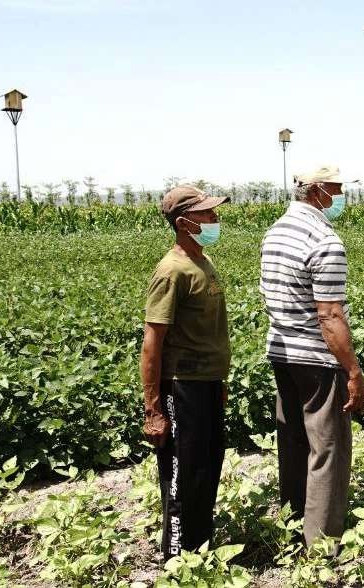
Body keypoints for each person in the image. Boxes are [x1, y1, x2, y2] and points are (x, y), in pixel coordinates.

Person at [259, 165, 364, 548]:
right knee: (327, 451)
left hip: (282, 352)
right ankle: (320, 545)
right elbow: (330, 315)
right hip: (318, 360)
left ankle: (293, 525)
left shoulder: (275, 232)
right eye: (337, 189)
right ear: (319, 191)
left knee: (293, 443)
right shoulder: (325, 240)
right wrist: (352, 369)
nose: (340, 197)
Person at [140, 184, 232, 560]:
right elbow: (152, 342)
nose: (214, 219)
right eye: (207, 214)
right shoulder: (171, 270)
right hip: (182, 387)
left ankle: (201, 547)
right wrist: (154, 409)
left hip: (206, 383)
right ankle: (178, 559)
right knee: (183, 473)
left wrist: (219, 381)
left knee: (208, 466)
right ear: (183, 222)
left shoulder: (201, 261)